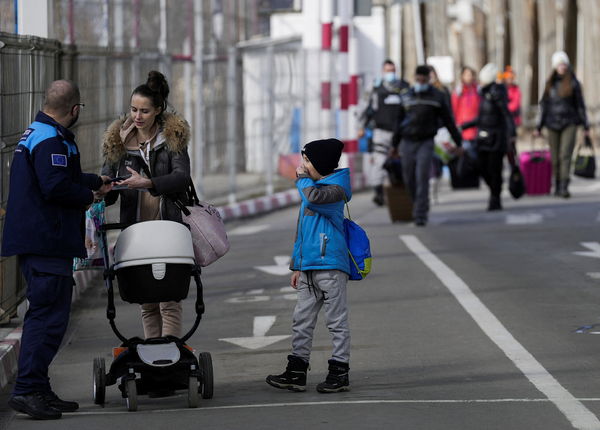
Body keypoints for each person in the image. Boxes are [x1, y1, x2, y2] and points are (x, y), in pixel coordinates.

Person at [1, 80, 112, 419]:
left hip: (42, 240)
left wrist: (96, 182)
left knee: (50, 316)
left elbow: (63, 175)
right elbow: (55, 186)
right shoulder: (51, 140)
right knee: (47, 318)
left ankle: (39, 385)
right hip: (45, 241)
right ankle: (27, 390)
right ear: (74, 109)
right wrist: (88, 196)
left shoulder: (38, 132)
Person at [101, 71, 191, 341]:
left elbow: (181, 177)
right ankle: (153, 352)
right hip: (136, 229)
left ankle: (171, 353)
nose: (137, 116)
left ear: (158, 110)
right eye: (133, 109)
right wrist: (102, 190)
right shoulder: (118, 140)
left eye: (144, 111)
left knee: (169, 298)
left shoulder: (172, 137)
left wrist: (147, 183)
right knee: (146, 299)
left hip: (167, 226)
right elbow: (108, 187)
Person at [266, 138, 352, 393]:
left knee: (336, 321)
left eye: (306, 160)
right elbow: (302, 231)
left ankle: (339, 371)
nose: (301, 165)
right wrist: (297, 266)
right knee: (301, 320)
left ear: (319, 164)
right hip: (309, 267)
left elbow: (314, 199)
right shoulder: (311, 186)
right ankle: (296, 371)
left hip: (330, 266)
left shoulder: (336, 189)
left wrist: (302, 178)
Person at [393, 65, 463, 227]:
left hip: (425, 141)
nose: (420, 82)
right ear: (414, 78)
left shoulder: (437, 97)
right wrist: (394, 145)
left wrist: (458, 142)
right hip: (407, 141)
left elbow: (448, 121)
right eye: (418, 79)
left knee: (422, 176)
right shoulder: (406, 96)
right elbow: (398, 122)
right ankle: (416, 203)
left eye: (424, 80)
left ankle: (420, 213)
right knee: (409, 177)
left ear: (428, 79)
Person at [460, 63, 516, 211]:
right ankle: (494, 191)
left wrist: (512, 134)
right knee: (481, 166)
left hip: (496, 138)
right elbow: (482, 117)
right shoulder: (483, 93)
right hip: (483, 137)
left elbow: (506, 114)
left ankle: (495, 197)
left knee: (495, 169)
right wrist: (465, 126)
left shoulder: (497, 92)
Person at [535, 51, 589, 198]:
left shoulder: (573, 82)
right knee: (555, 156)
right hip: (552, 123)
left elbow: (580, 105)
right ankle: (557, 184)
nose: (562, 67)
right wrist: (538, 127)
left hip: (569, 123)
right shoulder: (549, 83)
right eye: (559, 64)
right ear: (555, 66)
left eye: (564, 64)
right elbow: (544, 106)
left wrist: (585, 125)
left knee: (565, 155)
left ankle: (564, 185)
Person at [359, 59, 410, 206]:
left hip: (401, 133)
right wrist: (360, 127)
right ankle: (378, 193)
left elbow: (411, 107)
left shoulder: (404, 87)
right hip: (381, 132)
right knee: (379, 162)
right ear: (382, 71)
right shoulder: (374, 87)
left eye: (393, 71)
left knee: (402, 163)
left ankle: (403, 192)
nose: (391, 74)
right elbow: (363, 107)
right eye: (388, 71)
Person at [451, 66, 480, 155]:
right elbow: (453, 109)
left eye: (471, 75)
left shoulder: (478, 91)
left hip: (476, 129)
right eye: (467, 75)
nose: (469, 77)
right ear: (462, 76)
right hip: (462, 129)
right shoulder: (458, 92)